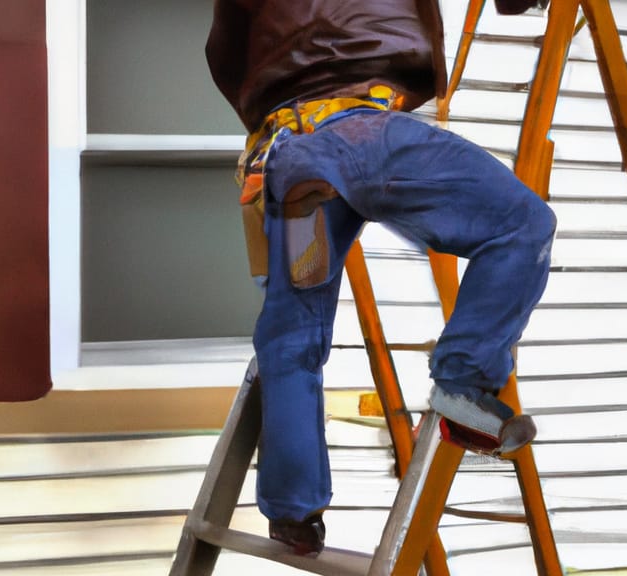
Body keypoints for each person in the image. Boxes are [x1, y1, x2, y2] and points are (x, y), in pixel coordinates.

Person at [206, 0, 556, 555]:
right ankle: (462, 384)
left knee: (293, 333)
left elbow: (223, 56)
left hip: (295, 162)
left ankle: (293, 511)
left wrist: (275, 98)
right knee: (522, 224)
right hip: (368, 135)